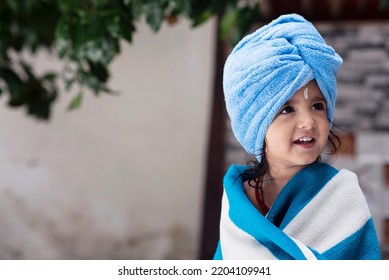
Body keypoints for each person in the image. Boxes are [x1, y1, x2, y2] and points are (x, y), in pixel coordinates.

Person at [213, 13, 381, 260]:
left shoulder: (341, 196)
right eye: (287, 109)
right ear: (256, 124)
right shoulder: (238, 198)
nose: (308, 122)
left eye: (317, 106)